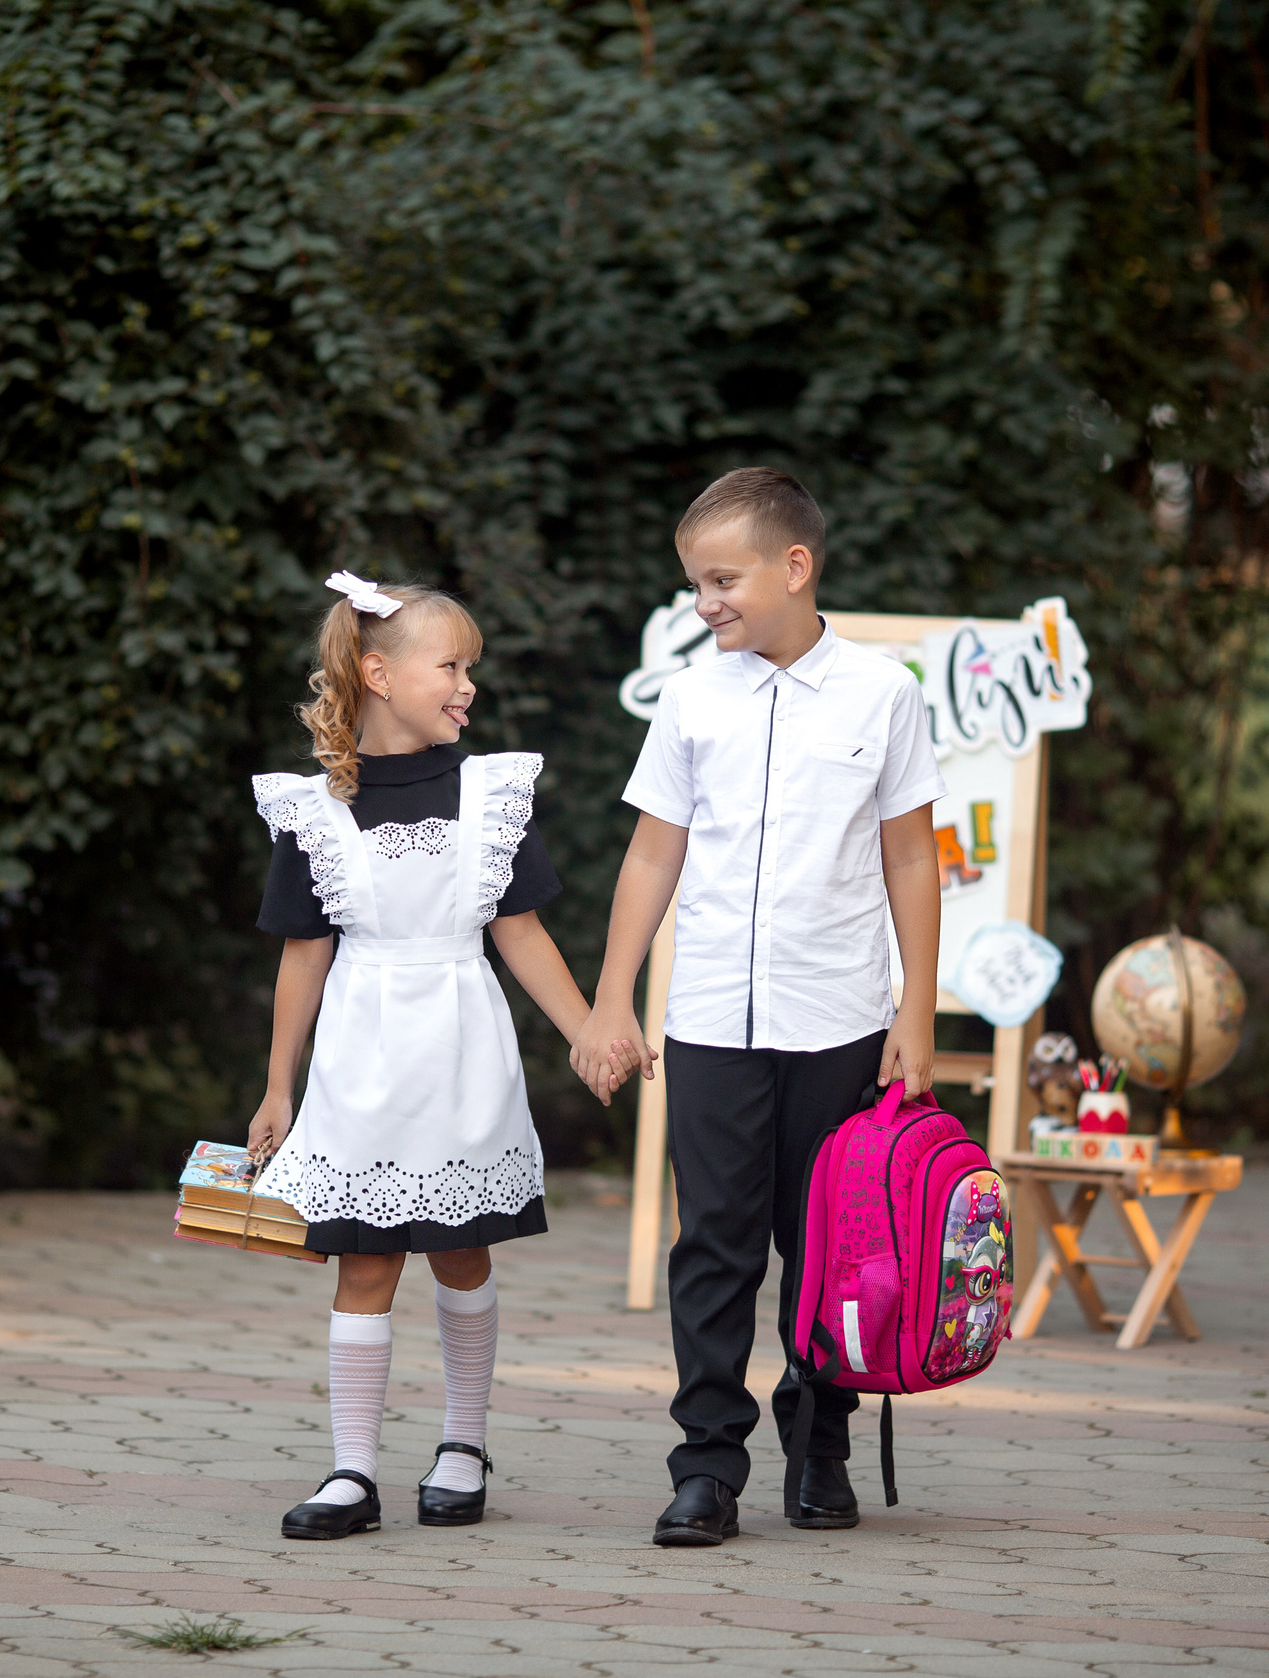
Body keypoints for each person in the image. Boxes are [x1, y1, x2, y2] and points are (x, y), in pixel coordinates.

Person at [570, 468, 944, 1547]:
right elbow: (652, 853)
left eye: (720, 580)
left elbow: (910, 859)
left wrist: (914, 1013)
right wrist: (612, 999)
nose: (704, 604)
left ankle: (819, 1447)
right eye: (693, 584)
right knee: (715, 1245)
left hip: (839, 1019)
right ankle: (706, 1469)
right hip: (711, 1024)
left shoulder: (884, 695)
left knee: (828, 1247)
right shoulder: (692, 699)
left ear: (795, 567)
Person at [247, 571, 596, 1540]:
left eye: (469, 670)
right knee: (361, 1263)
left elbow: (521, 934)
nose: (467, 687)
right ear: (378, 674)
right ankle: (352, 1471)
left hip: (459, 1052)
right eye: (450, 666)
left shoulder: (490, 795)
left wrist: (588, 1033)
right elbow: (302, 959)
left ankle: (460, 1441)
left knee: (460, 1248)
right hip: (361, 1063)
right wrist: (278, 1086)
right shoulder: (313, 813)